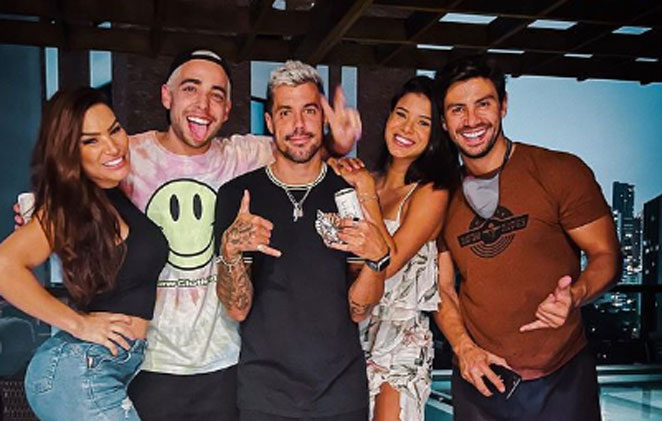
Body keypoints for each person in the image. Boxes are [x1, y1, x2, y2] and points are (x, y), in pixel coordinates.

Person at [12, 49, 360, 419]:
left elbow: (298, 148)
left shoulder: (245, 155)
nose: (203, 106)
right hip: (147, 364)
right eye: (191, 89)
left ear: (227, 109)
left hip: (221, 362)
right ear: (166, 95)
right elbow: (69, 184)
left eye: (216, 95)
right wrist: (35, 212)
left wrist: (337, 144)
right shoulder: (126, 155)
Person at [433, 55, 620, 420]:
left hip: (562, 375)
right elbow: (441, 288)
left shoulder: (560, 171)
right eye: (457, 110)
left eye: (483, 104)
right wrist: (463, 348)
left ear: (503, 106)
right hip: (480, 377)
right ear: (444, 121)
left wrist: (576, 294)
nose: (471, 120)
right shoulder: (440, 198)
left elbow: (607, 256)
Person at [214, 60, 390, 421]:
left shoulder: (348, 195)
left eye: (309, 111)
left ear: (322, 118)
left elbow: (359, 311)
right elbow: (237, 309)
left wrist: (376, 262)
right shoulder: (238, 196)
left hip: (340, 396)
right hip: (266, 396)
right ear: (269, 122)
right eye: (285, 113)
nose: (298, 125)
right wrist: (230, 251)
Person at [0, 87, 168, 420]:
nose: (113, 147)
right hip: (80, 370)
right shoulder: (68, 205)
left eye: (114, 130)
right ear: (70, 153)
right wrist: (79, 324)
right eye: (91, 141)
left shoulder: (109, 195)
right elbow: (4, 265)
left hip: (100, 367)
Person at [328, 76, 460, 421]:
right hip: (349, 333)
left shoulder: (431, 192)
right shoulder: (365, 177)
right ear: (388, 117)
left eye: (423, 122)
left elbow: (387, 262)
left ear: (436, 134)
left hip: (401, 340)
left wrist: (366, 192)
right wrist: (334, 151)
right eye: (401, 114)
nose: (407, 128)